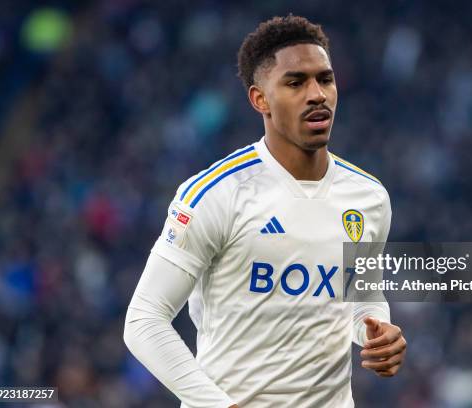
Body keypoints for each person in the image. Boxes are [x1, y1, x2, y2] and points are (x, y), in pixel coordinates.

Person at [124, 14, 407, 408]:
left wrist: (377, 332)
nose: (317, 94)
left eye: (325, 79)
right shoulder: (217, 193)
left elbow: (362, 296)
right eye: (296, 82)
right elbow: (144, 320)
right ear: (260, 99)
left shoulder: (368, 197)